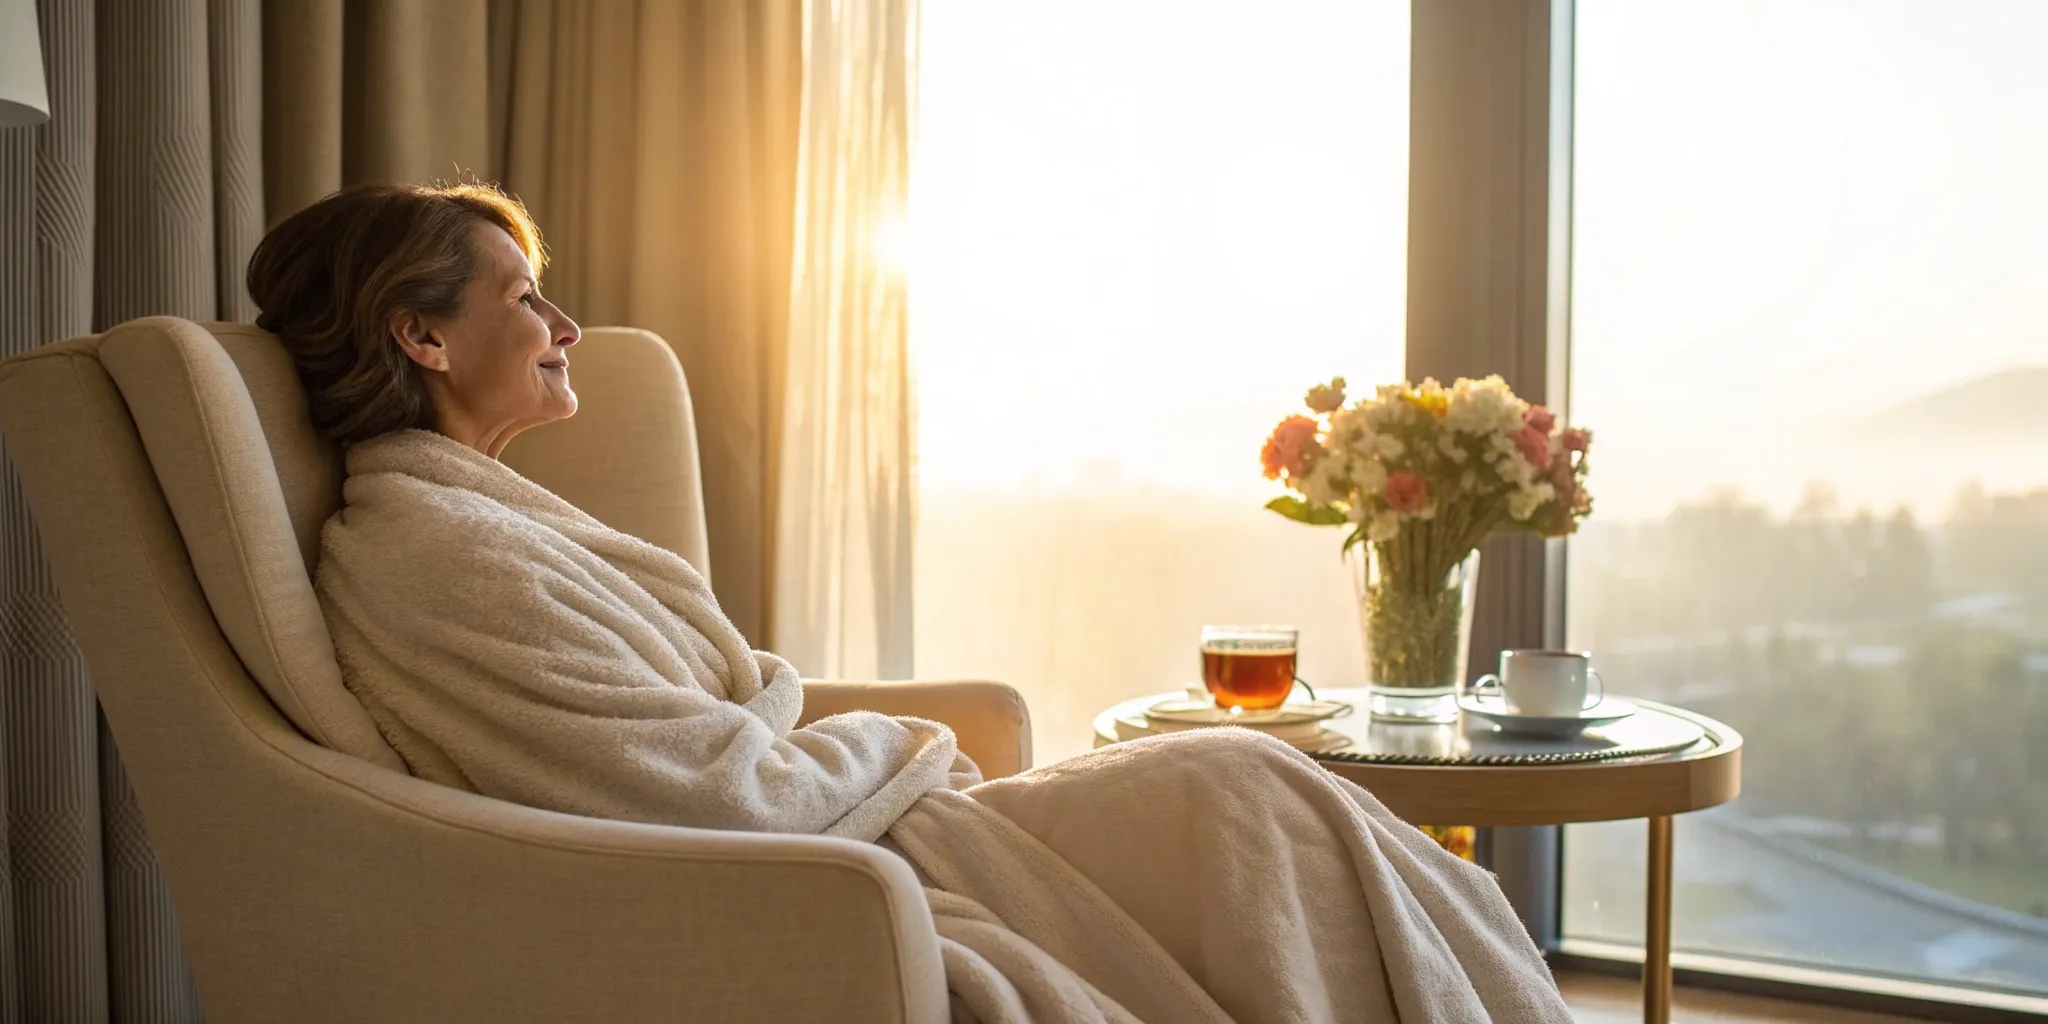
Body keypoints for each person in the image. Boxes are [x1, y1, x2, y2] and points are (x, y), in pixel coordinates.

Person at [250, 181, 1571, 1024]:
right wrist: (908, 741)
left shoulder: (476, 519)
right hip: (842, 869)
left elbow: (696, 751)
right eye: (523, 295)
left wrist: (835, 736)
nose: (564, 322)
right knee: (1240, 791)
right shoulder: (429, 554)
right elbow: (715, 799)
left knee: (1251, 793)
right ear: (421, 337)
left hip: (881, 829)